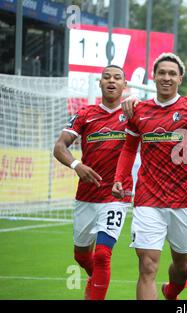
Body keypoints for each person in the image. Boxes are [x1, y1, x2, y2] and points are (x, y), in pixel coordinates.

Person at [113, 53, 187, 300]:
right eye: (162, 72)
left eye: (172, 73)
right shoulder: (138, 110)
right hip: (147, 201)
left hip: (184, 201)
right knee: (147, 266)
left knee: (183, 266)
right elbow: (130, 147)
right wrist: (120, 177)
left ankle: (172, 290)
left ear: (180, 78)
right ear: (154, 76)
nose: (166, 77)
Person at [53, 65, 132, 300]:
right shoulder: (85, 114)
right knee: (82, 256)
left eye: (117, 78)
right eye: (106, 77)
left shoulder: (132, 115)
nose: (111, 81)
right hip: (86, 196)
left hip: (116, 197)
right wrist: (77, 166)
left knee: (102, 255)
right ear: (99, 83)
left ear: (124, 85)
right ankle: (94, 278)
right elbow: (59, 147)